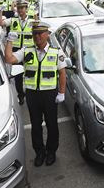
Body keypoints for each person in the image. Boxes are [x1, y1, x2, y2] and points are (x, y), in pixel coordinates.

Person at [4, 21, 66, 167]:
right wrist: (9, 41)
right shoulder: (26, 50)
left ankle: (51, 152)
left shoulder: (56, 52)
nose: (37, 36)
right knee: (36, 125)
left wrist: (62, 93)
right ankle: (39, 152)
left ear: (47, 34)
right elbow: (9, 59)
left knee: (52, 124)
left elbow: (62, 74)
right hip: (32, 95)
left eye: (40, 33)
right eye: (34, 34)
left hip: (50, 95)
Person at [0, 0, 34, 105]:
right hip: (16, 52)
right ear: (17, 9)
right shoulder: (13, 20)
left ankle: (31, 94)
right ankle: (21, 95)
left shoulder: (32, 21)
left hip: (29, 52)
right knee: (18, 76)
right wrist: (1, 11)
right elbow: (0, 23)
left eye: (23, 8)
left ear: (26, 9)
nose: (21, 10)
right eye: (19, 8)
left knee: (30, 73)